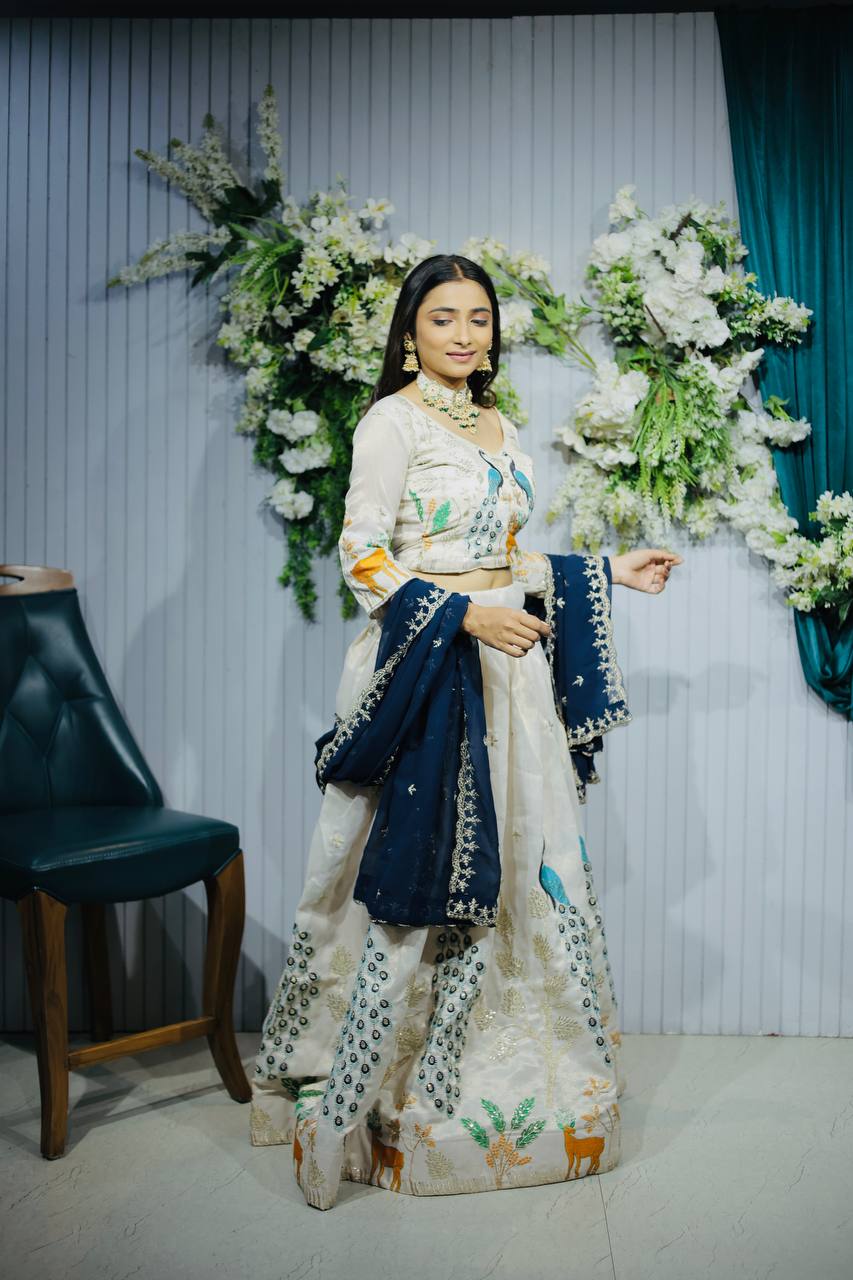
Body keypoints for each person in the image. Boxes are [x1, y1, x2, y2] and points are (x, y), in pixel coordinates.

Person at [250, 253, 682, 1209]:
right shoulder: (390, 422)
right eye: (442, 317)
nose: (462, 333)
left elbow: (504, 557)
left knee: (521, 860)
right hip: (423, 668)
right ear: (409, 333)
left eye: (477, 318)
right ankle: (363, 1086)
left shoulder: (499, 425)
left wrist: (606, 571)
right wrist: (462, 616)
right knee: (406, 865)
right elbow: (363, 556)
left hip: (506, 671)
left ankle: (503, 1069)